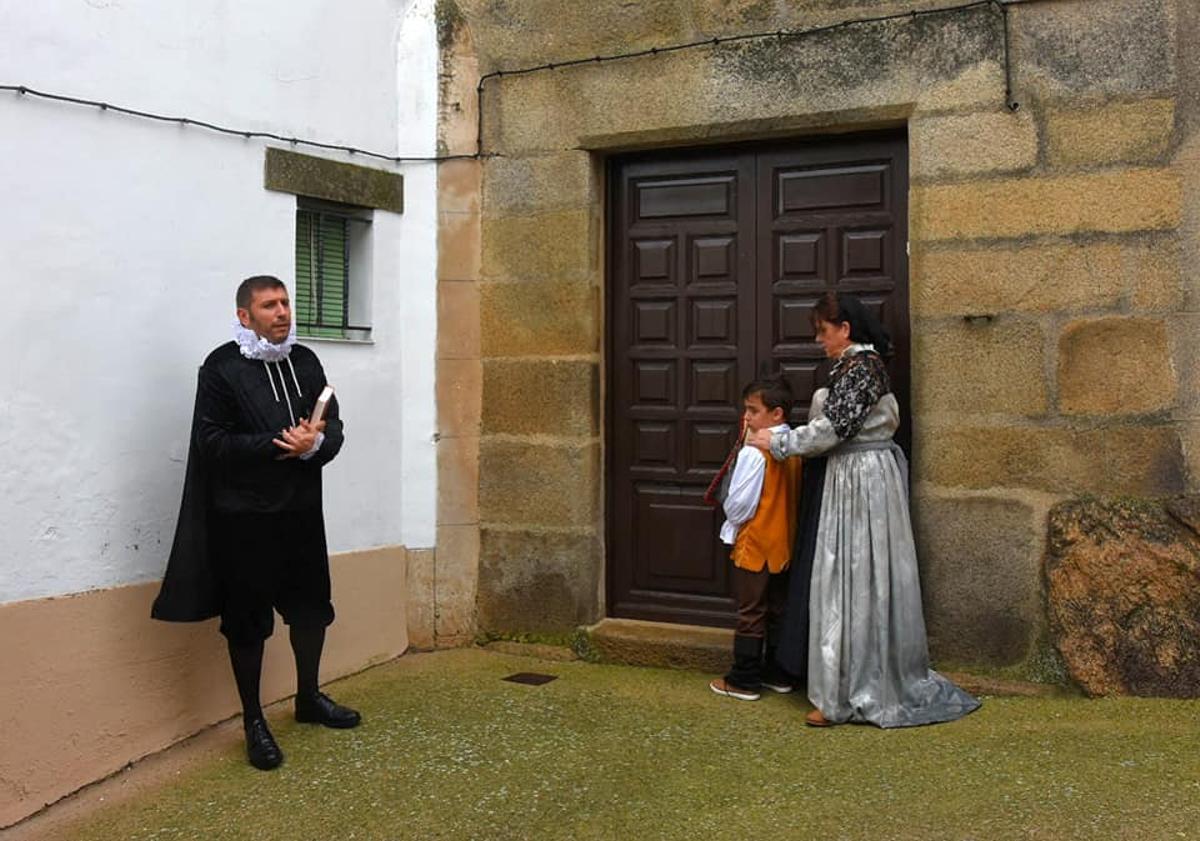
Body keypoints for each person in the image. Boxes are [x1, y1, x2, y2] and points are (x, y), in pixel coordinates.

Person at [152, 275, 361, 770]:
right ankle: (253, 721)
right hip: (242, 519)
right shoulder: (222, 368)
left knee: (311, 609)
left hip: (301, 511)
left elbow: (335, 428)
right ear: (245, 316)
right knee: (248, 624)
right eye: (270, 305)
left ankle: (308, 698)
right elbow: (211, 443)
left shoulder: (305, 361)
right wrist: (278, 442)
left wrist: (316, 445)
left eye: (286, 302)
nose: (283, 312)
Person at [748, 292, 979, 728]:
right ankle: (846, 684)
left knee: (854, 577)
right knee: (851, 579)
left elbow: (834, 428)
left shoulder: (864, 369)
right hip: (855, 479)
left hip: (862, 481)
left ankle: (855, 693)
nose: (820, 340)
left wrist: (778, 441)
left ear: (845, 329)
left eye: (823, 331)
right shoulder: (856, 369)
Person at [709, 376, 802, 702]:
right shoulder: (794, 446)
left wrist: (731, 523)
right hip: (783, 543)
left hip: (756, 542)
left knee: (750, 610)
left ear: (776, 414)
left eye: (753, 410)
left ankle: (744, 679)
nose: (746, 417)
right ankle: (778, 673)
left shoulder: (754, 452)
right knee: (777, 608)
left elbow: (739, 504)